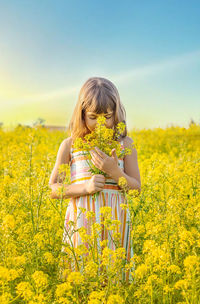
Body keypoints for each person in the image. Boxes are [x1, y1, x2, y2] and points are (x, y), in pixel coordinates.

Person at [49, 76, 141, 283]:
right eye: (93, 117)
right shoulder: (69, 145)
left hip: (116, 228)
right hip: (82, 227)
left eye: (107, 117)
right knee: (80, 283)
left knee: (115, 284)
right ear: (81, 114)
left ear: (116, 113)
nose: (101, 124)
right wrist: (85, 188)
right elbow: (53, 189)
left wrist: (115, 173)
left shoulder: (125, 144)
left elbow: (136, 188)